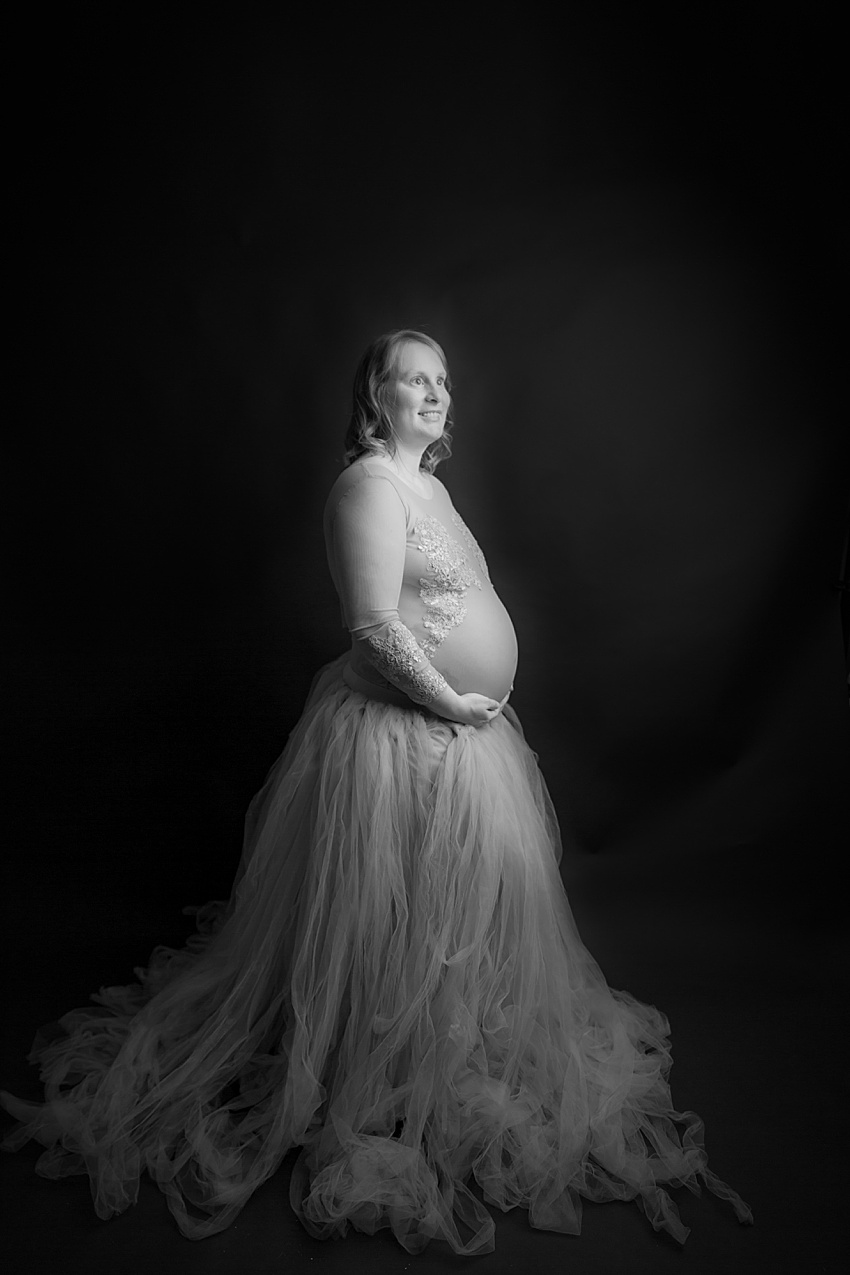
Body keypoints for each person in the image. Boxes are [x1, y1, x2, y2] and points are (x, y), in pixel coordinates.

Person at [1, 329, 752, 1255]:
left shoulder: (427, 486)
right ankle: (376, 1071)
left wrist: (474, 710)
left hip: (460, 733)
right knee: (388, 914)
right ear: (376, 395)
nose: (435, 394)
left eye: (443, 380)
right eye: (414, 379)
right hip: (400, 737)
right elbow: (370, 629)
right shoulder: (366, 486)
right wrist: (453, 704)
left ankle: (443, 1053)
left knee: (455, 920)